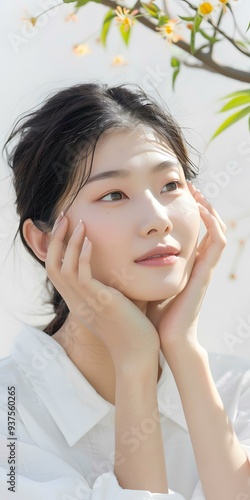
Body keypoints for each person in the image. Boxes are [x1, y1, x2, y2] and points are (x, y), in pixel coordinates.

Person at [0, 82, 249, 500]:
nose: (158, 220)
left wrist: (182, 348)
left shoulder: (236, 388)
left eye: (171, 185)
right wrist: (133, 362)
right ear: (45, 242)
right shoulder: (12, 413)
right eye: (114, 194)